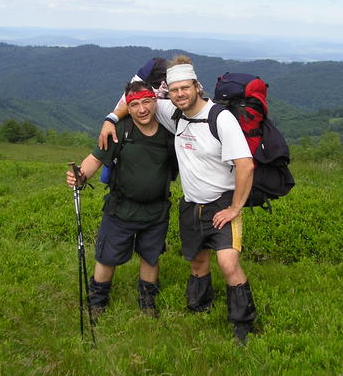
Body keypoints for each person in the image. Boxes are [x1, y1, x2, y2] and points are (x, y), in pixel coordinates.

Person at [99, 55, 258, 344]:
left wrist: (235, 207)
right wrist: (110, 120)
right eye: (174, 90)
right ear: (168, 93)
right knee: (197, 261)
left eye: (185, 87)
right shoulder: (172, 112)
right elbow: (134, 102)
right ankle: (200, 306)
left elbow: (245, 165)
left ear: (197, 86)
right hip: (190, 203)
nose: (180, 94)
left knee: (227, 263)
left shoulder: (220, 118)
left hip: (221, 202)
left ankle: (243, 324)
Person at [66, 81, 175, 318]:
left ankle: (147, 301)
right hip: (121, 208)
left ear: (155, 101)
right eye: (134, 105)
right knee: (107, 256)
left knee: (150, 256)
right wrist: (80, 176)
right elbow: (95, 159)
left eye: (146, 102)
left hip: (156, 210)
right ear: (127, 107)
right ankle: (97, 301)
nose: (142, 109)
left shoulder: (169, 133)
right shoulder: (120, 131)